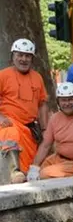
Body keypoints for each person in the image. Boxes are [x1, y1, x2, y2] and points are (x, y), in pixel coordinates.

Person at [0, 38, 49, 180]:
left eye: (27, 56)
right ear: (13, 57)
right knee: (10, 133)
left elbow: (42, 103)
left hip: (30, 129)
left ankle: (24, 175)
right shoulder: (3, 75)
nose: (23, 59)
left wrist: (45, 129)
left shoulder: (37, 77)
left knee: (30, 166)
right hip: (9, 123)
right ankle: (13, 171)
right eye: (19, 55)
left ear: (32, 58)